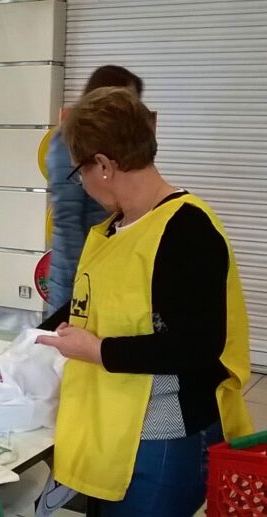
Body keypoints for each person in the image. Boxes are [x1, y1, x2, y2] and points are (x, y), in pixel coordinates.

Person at [36, 87, 252, 516]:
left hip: (164, 439)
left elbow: (197, 345)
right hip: (111, 429)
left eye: (79, 170)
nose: (80, 182)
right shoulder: (118, 227)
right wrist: (22, 346)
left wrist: (97, 350)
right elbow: (86, 304)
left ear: (103, 165)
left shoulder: (187, 230)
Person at [45, 66, 143, 314]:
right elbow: (67, 221)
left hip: (107, 268)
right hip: (79, 275)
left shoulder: (118, 148)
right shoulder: (67, 141)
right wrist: (76, 286)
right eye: (124, 100)